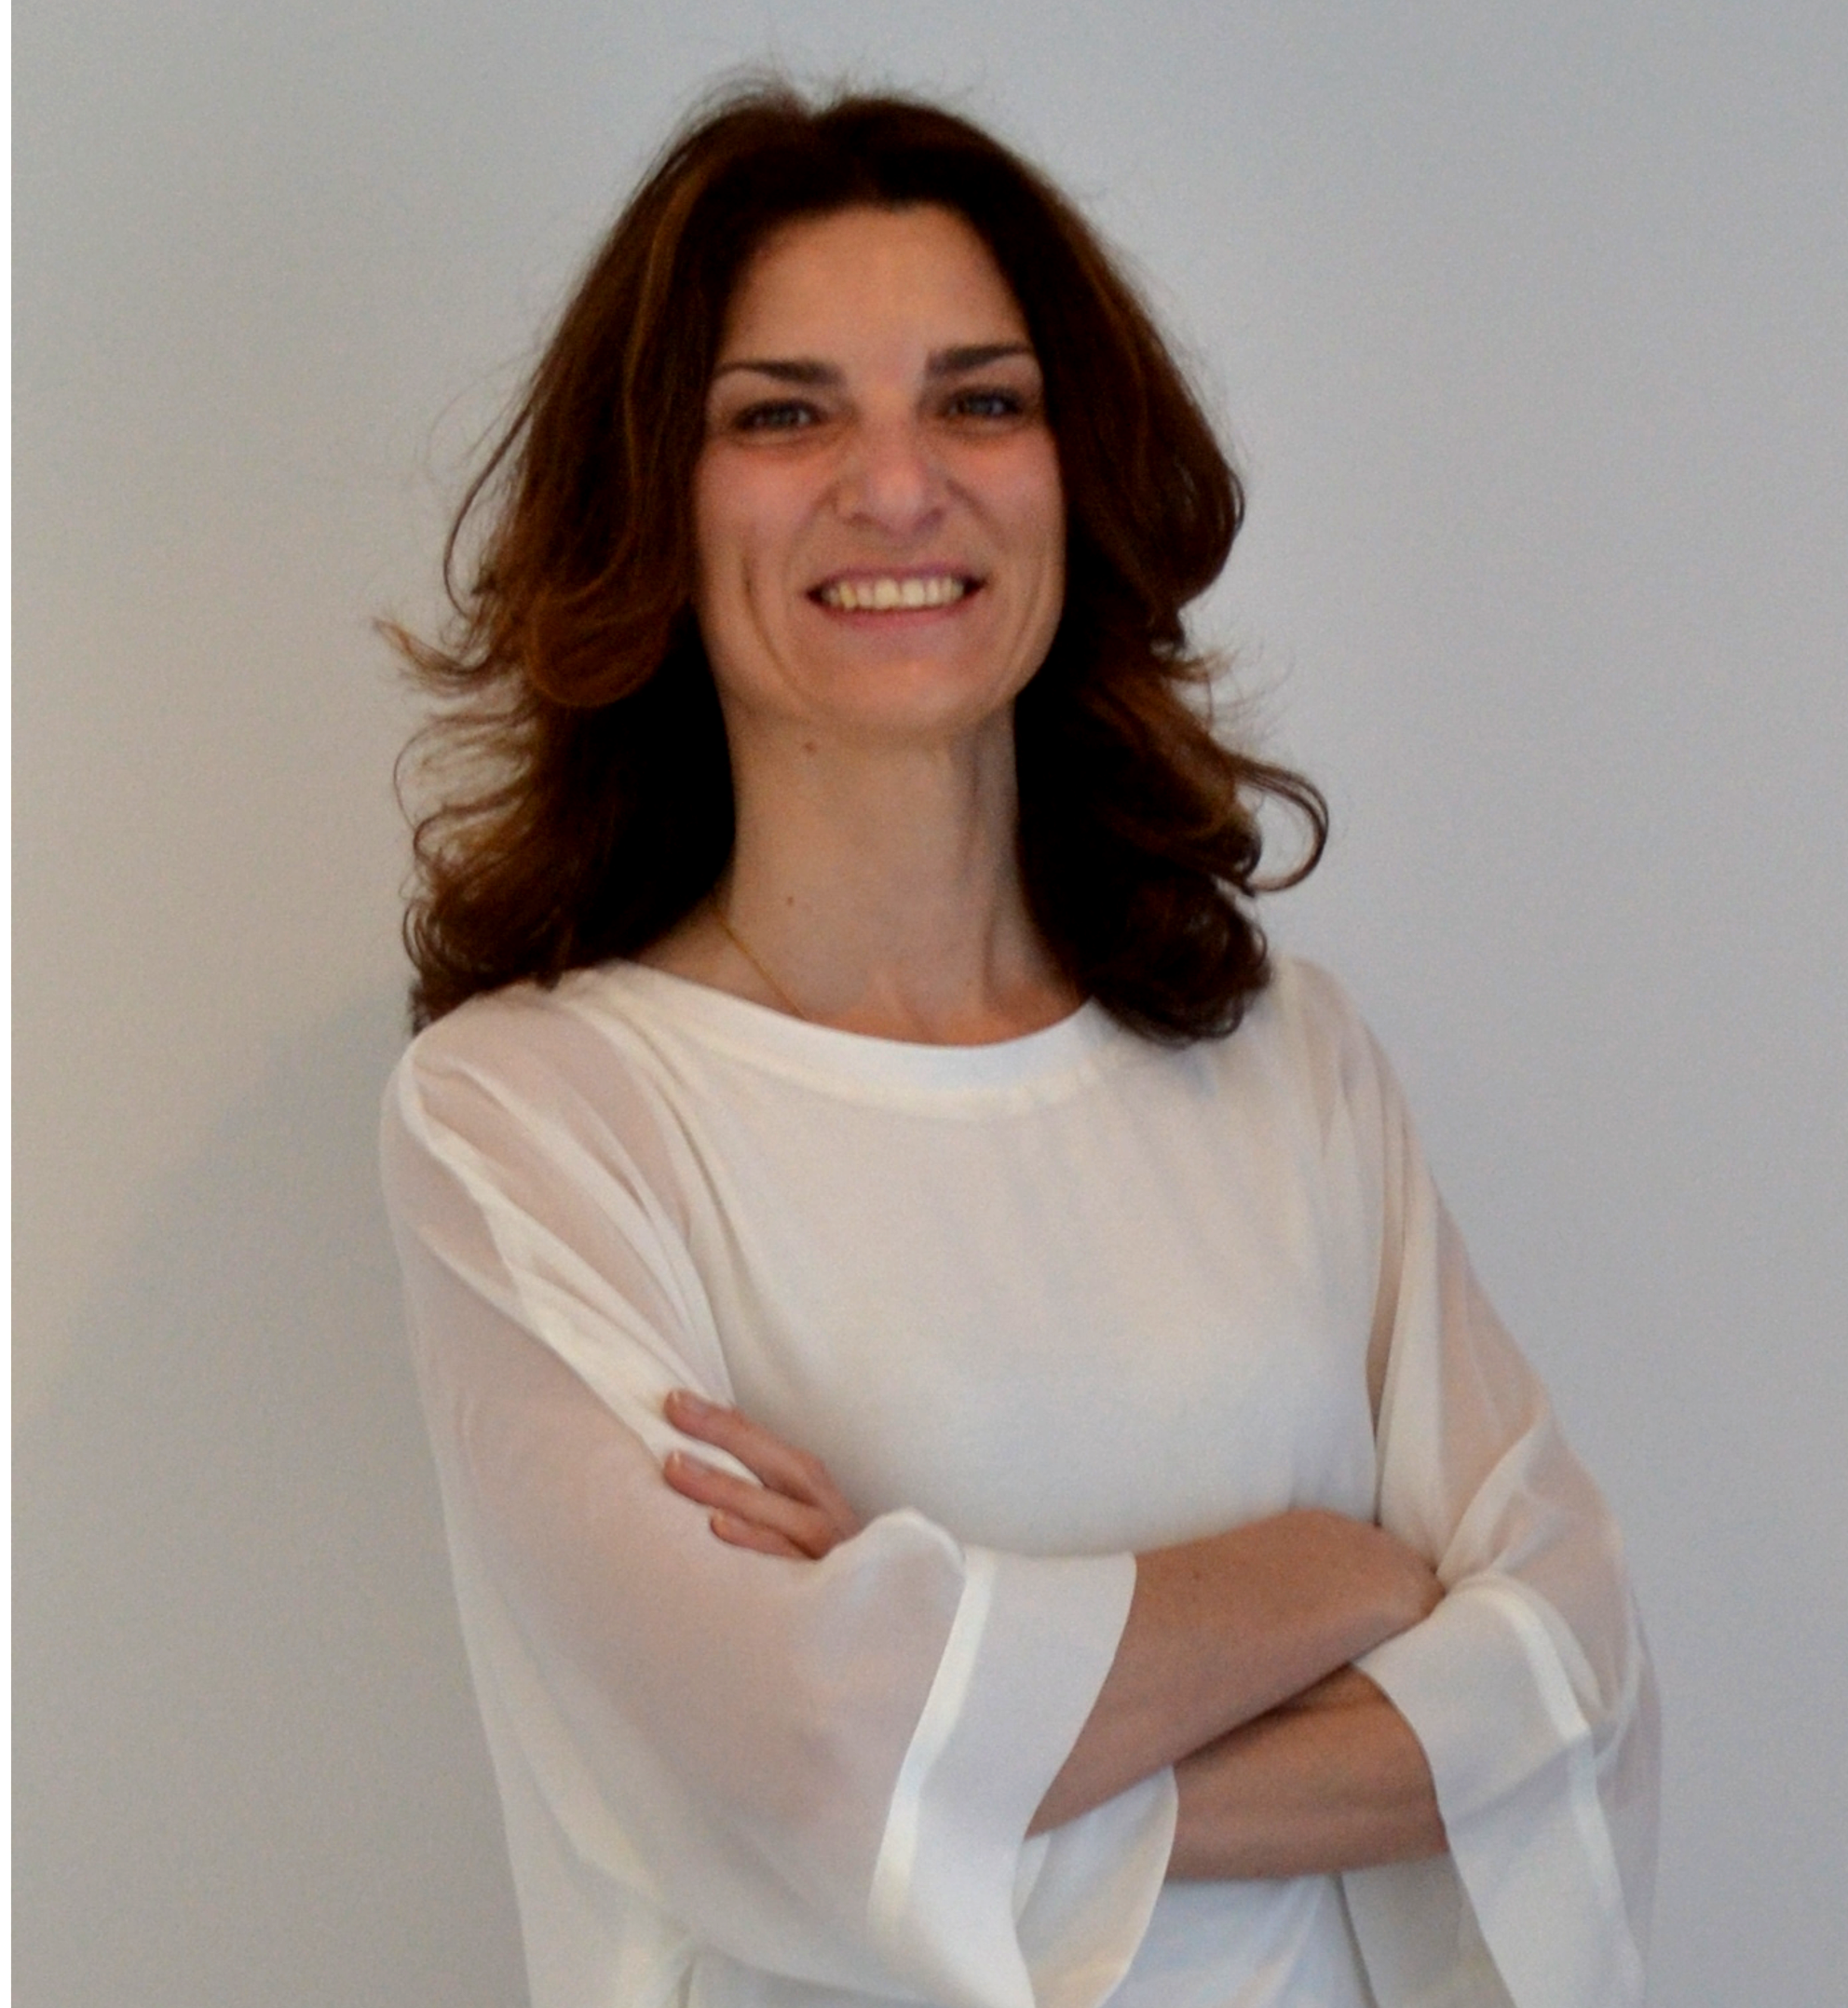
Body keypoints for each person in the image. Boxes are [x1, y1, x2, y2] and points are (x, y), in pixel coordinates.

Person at [380, 82, 1658, 2008]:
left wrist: (971, 1705)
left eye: (980, 401)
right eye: (783, 414)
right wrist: (1330, 1576)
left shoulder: (1285, 1062)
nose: (897, 487)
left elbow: (1568, 1675)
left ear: (1080, 472)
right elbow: (794, 1756)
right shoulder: (535, 1121)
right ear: (652, 504)